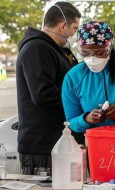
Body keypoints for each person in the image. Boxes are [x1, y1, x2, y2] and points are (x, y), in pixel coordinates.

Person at [16, 2, 81, 175]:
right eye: (75, 28)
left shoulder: (57, 50)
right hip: (44, 146)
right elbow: (43, 94)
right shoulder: (37, 48)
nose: (75, 34)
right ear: (62, 26)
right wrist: (81, 104)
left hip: (60, 142)